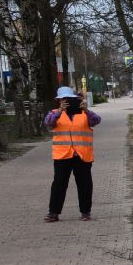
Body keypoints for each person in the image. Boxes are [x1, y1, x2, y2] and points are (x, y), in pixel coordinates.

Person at [45, 86, 100, 222]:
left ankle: (85, 212)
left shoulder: (84, 113)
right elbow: (49, 123)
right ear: (58, 101)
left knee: (85, 184)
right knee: (59, 183)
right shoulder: (54, 113)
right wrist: (59, 111)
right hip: (62, 155)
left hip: (82, 155)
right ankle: (53, 213)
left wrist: (86, 110)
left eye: (70, 99)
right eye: (63, 99)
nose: (67, 101)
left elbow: (97, 121)